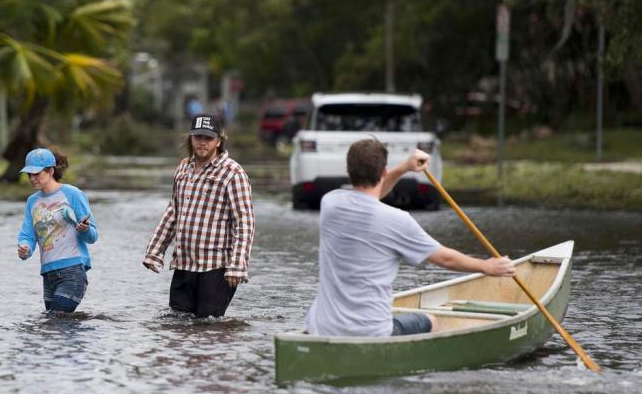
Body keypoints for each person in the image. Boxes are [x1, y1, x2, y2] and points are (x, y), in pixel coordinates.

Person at [305, 138, 516, 337]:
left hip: (322, 329)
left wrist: (404, 167)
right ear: (383, 171)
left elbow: (371, 193)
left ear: (349, 172)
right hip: (372, 333)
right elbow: (444, 258)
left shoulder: (330, 203)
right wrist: (487, 267)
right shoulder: (398, 220)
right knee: (431, 321)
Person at [143, 113, 255, 318]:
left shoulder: (233, 172)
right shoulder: (183, 168)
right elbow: (173, 212)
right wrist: (155, 251)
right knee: (177, 325)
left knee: (210, 329)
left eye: (208, 138)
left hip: (216, 267)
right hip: (183, 264)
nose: (202, 142)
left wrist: (238, 265)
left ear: (218, 141)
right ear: (191, 138)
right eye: (198, 137)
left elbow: (244, 222)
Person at [17, 148, 98, 313]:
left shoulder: (72, 194)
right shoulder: (32, 201)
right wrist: (24, 248)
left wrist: (84, 229)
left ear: (51, 171)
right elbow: (27, 235)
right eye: (29, 174)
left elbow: (93, 236)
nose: (32, 179)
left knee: (55, 322)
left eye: (36, 174)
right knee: (53, 331)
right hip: (48, 274)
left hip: (72, 272)